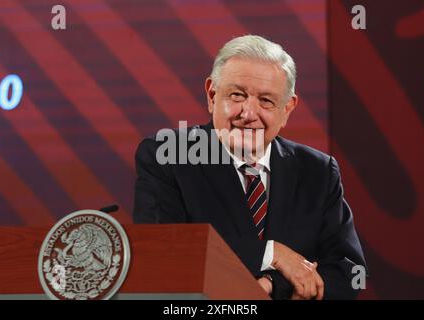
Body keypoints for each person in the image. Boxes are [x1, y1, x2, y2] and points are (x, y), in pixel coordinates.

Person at [134, 35, 367, 299]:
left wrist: (272, 284)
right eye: (236, 95)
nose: (248, 113)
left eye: (266, 101)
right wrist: (271, 254)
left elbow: (349, 271)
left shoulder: (318, 171)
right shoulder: (168, 155)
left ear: (287, 108)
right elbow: (161, 252)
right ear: (212, 95)